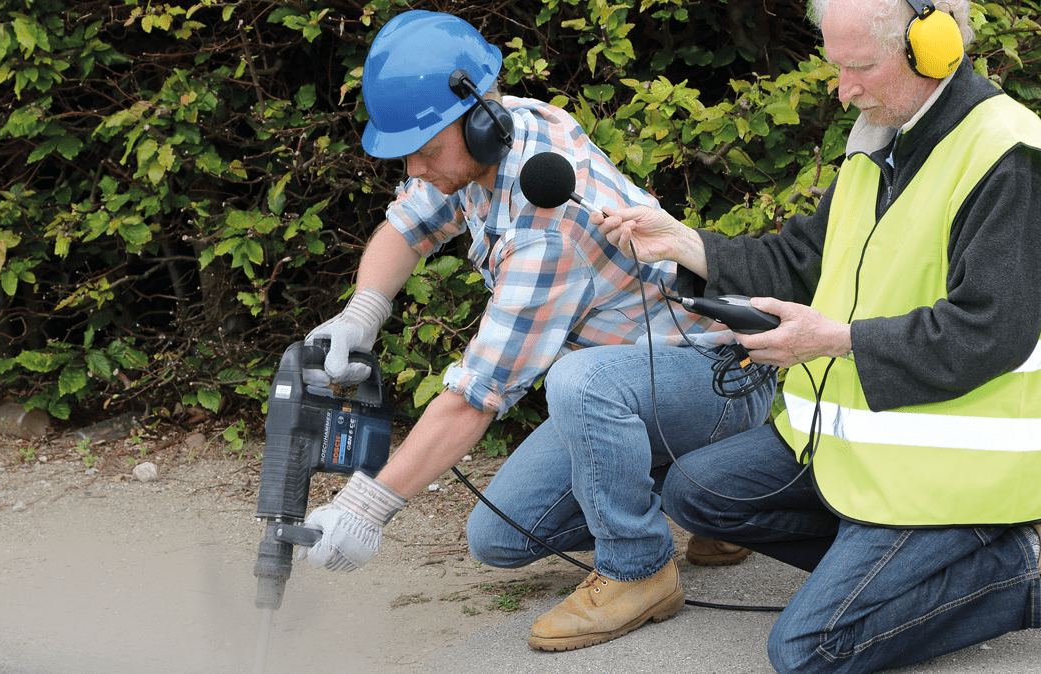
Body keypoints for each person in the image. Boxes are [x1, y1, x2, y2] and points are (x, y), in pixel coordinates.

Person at [594, 0, 1041, 671]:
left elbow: (990, 331)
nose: (844, 90)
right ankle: (905, 571)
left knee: (807, 651)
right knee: (697, 492)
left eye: (861, 67)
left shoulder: (1005, 156)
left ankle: (1020, 561)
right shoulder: (882, 135)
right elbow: (800, 263)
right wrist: (687, 245)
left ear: (934, 48)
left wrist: (836, 341)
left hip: (964, 473)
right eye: (837, 67)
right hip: (868, 448)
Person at [296, 10, 773, 652]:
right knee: (502, 537)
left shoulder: (548, 228)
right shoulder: (497, 133)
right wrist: (363, 313)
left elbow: (475, 397)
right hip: (630, 386)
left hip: (717, 378)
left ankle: (641, 567)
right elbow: (407, 227)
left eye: (425, 150)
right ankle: (717, 495)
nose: (413, 168)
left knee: (579, 380)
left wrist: (366, 506)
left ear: (479, 123)